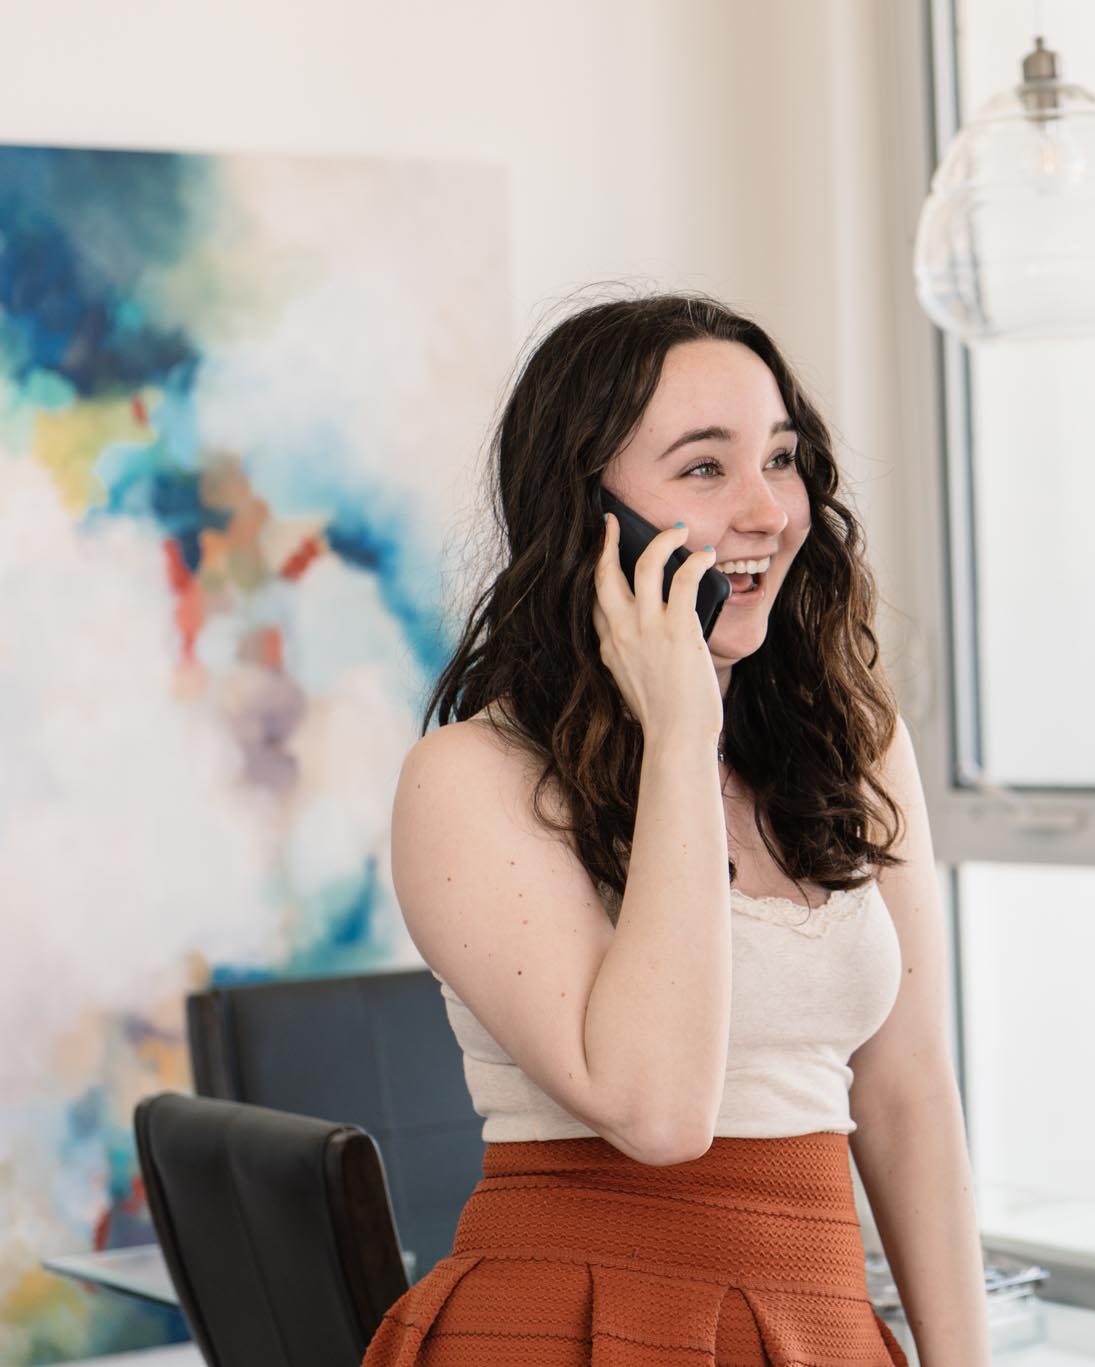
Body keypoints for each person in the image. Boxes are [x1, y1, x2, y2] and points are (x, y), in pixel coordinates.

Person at [361, 295, 989, 1366]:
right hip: (565, 1321)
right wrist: (679, 726)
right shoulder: (470, 778)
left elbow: (908, 1090)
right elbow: (657, 1111)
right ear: (586, 509)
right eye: (704, 469)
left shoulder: (850, 742)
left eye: (781, 458)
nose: (768, 510)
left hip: (816, 1314)